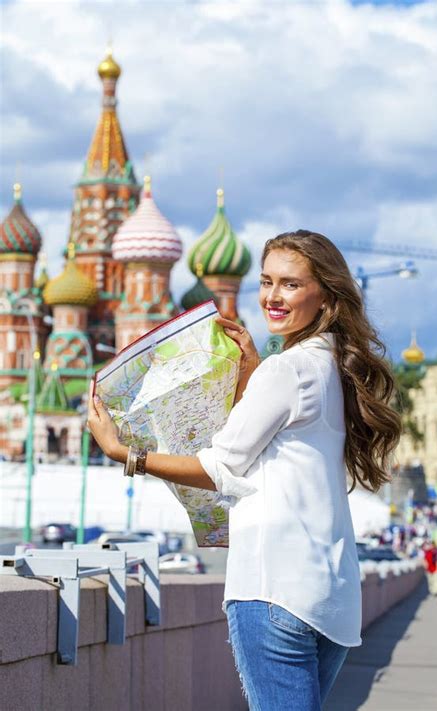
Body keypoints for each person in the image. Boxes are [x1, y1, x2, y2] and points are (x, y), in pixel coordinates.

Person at [88, 230, 401, 710]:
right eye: (267, 282)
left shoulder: (289, 369)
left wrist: (125, 453)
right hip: (329, 598)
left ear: (326, 296)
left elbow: (221, 466)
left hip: (272, 590)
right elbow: (282, 449)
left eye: (291, 285)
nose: (273, 297)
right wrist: (253, 373)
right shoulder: (333, 366)